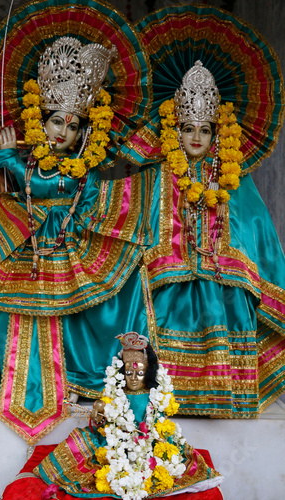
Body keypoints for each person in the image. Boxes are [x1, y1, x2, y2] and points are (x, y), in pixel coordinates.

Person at [0, 1, 154, 443]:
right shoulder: (32, 161)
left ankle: (78, 387)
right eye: (54, 121)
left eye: (72, 124)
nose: (61, 131)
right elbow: (11, 181)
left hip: (66, 249)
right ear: (40, 121)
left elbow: (41, 186)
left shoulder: (75, 171)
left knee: (76, 317)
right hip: (28, 248)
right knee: (7, 319)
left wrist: (3, 156)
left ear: (85, 131)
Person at [121, 5, 285, 418]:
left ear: (217, 131)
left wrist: (229, 260)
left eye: (204, 129)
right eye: (187, 129)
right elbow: (128, 208)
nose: (196, 138)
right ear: (175, 129)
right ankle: (160, 404)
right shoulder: (159, 173)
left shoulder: (233, 178)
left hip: (220, 281)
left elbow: (254, 229)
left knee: (224, 303)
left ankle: (220, 396)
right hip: (167, 282)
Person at [29, 332, 223, 499]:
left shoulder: (154, 395)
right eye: (128, 373)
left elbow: (158, 424)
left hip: (148, 445)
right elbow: (101, 425)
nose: (134, 378)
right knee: (79, 442)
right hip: (115, 443)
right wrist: (99, 411)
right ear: (122, 373)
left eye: (139, 373)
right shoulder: (115, 392)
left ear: (148, 372)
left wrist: (147, 435)